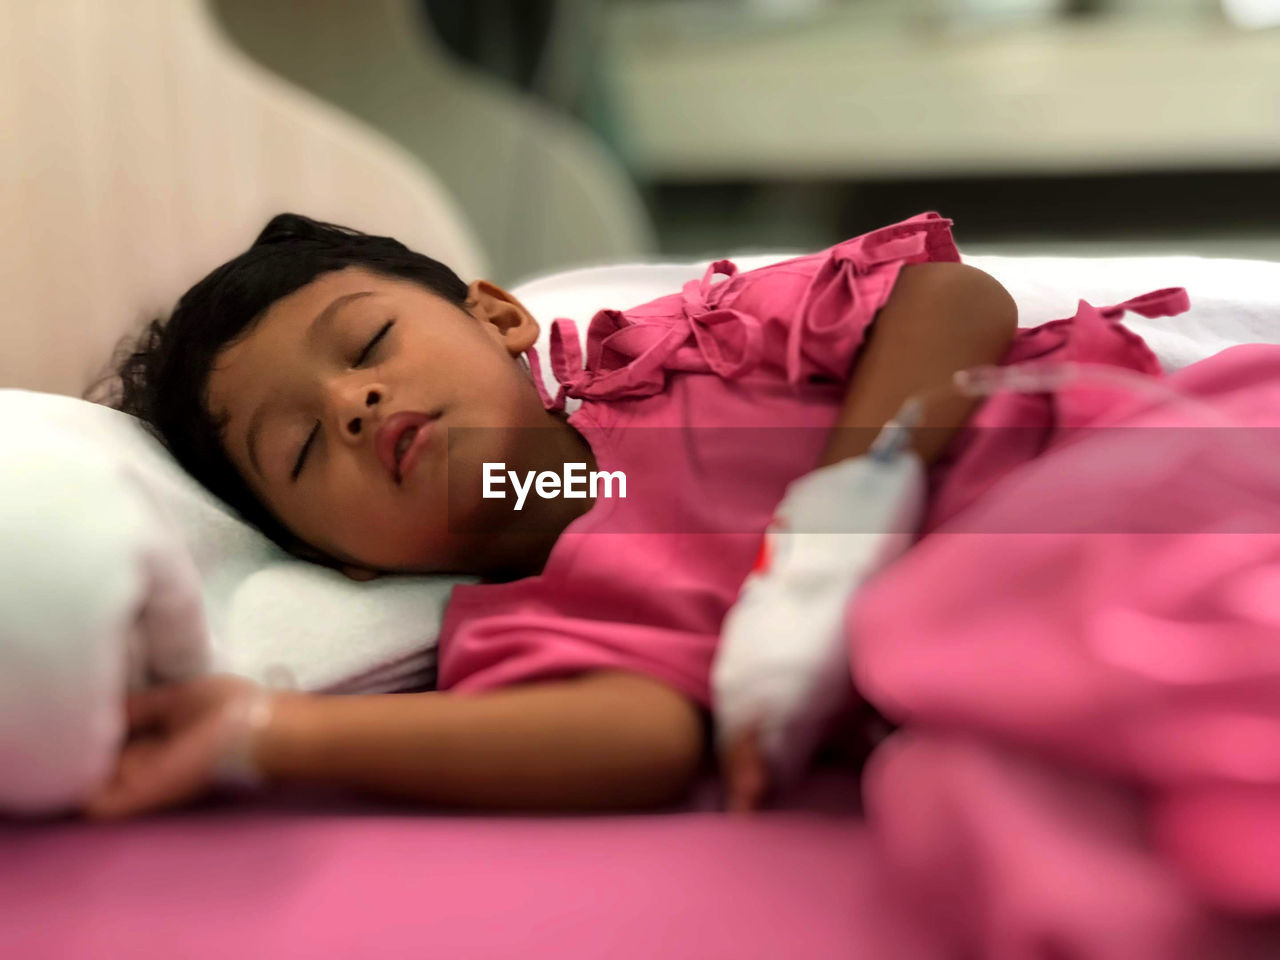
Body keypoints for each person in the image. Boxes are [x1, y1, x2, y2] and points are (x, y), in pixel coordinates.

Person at [85, 210, 1022, 819]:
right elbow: (642, 741)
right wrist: (265, 733)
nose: (352, 404)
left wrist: (840, 526)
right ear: (330, 556)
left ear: (496, 318)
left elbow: (948, 298)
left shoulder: (689, 353)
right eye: (299, 449)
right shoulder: (538, 621)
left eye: (369, 342)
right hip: (1010, 682)